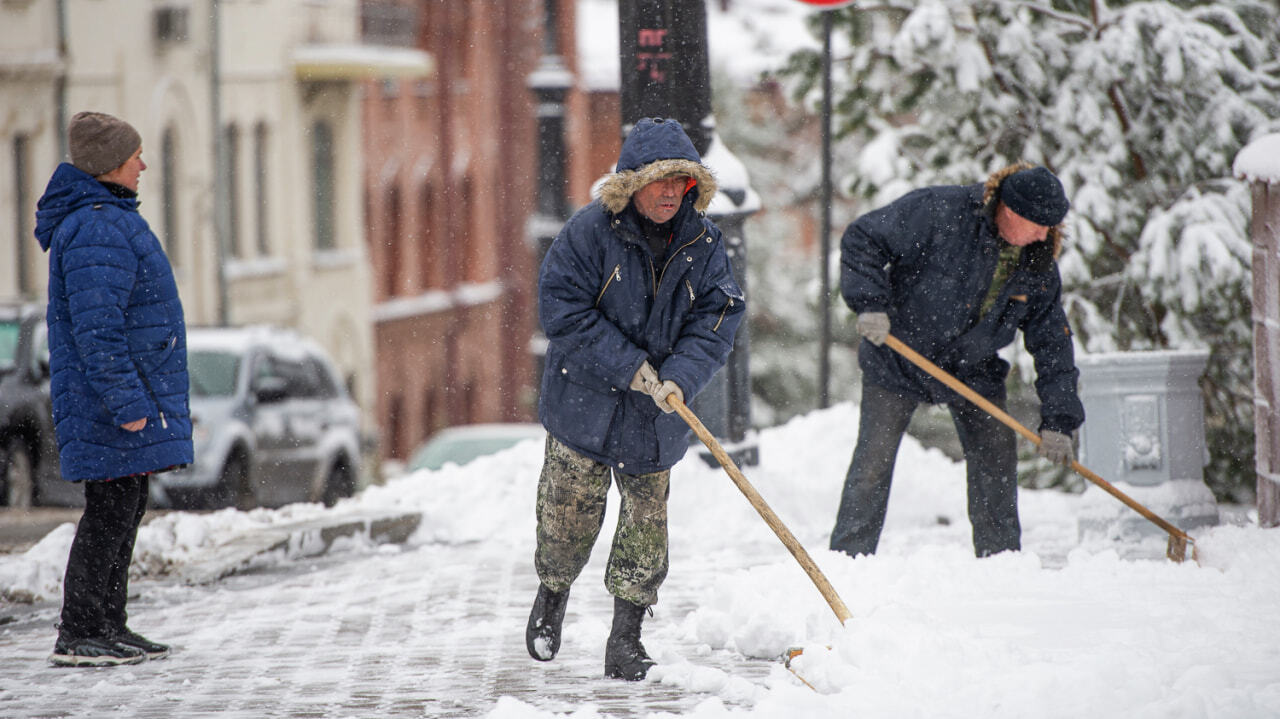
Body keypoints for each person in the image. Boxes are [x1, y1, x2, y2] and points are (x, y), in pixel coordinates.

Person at [526, 117, 745, 680]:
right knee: (567, 519)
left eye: (681, 181)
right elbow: (562, 310)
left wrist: (679, 376)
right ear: (632, 185)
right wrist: (630, 367)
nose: (671, 192)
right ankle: (553, 592)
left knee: (646, 528)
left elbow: (717, 316)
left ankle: (625, 639)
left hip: (656, 415)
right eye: (659, 181)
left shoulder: (705, 242)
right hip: (585, 404)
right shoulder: (587, 233)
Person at [830, 163, 1084, 559]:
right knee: (872, 465)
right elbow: (863, 237)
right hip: (899, 356)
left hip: (972, 368)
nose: (1044, 235)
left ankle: (1001, 562)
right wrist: (870, 304)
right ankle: (847, 562)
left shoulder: (1035, 266)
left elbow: (1053, 344)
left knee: (996, 460)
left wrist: (1059, 421)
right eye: (1039, 224)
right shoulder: (939, 212)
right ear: (1012, 211)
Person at [34, 111, 193, 666]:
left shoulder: (106, 218)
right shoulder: (97, 225)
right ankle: (78, 631)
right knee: (110, 511)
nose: (143, 165)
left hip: (126, 397)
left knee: (124, 507)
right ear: (109, 166)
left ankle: (107, 623)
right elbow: (98, 330)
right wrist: (128, 403)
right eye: (135, 157)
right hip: (111, 402)